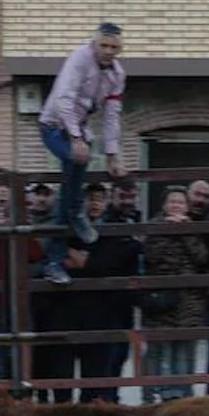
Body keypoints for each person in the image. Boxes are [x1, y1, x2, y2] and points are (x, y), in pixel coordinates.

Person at [37, 22, 128, 285]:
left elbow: (112, 116)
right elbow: (64, 98)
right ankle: (76, 213)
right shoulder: (79, 60)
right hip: (54, 126)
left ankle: (56, 257)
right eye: (104, 45)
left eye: (114, 47)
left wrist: (112, 155)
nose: (109, 51)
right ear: (94, 44)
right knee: (75, 159)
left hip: (79, 129)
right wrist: (75, 138)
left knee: (69, 191)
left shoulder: (117, 75)